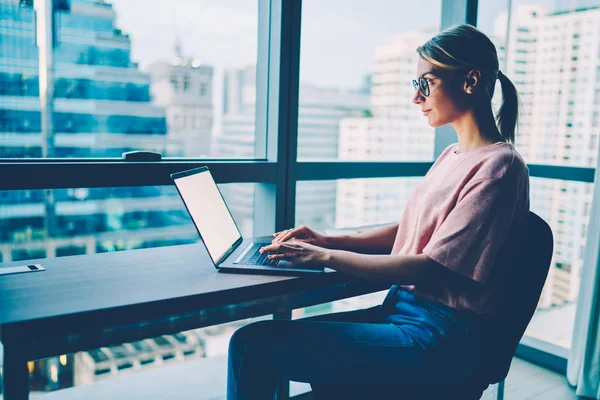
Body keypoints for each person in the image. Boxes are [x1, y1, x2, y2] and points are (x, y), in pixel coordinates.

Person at [227, 24, 530, 400]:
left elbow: (427, 265)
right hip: (405, 311)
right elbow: (412, 230)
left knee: (250, 345)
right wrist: (327, 239)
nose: (417, 99)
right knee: (277, 349)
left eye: (427, 83)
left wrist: (323, 256)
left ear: (470, 80)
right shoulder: (452, 155)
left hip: (441, 336)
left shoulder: (500, 166)